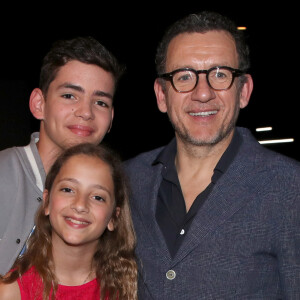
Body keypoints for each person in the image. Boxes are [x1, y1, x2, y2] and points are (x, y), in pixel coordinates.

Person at [125, 11, 300, 299]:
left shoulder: (290, 188)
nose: (202, 93)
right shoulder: (127, 180)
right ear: (161, 95)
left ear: (244, 91)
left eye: (220, 74)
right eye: (184, 76)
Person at [0, 36, 124, 275]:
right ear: (39, 103)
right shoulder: (4, 175)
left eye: (100, 102)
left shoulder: (115, 196)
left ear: (111, 119)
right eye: (70, 96)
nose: (86, 112)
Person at [0, 143, 137, 300]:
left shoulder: (125, 287)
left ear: (113, 217)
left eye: (98, 197)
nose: (80, 205)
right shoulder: (11, 291)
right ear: (46, 202)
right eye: (68, 189)